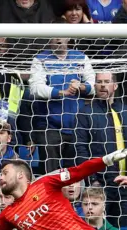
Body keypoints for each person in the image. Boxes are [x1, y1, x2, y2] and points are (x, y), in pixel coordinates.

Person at [76, 72, 127, 227]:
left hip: (126, 183)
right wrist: (93, 180)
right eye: (99, 82)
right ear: (95, 86)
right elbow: (81, 149)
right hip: (101, 184)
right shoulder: (85, 113)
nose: (103, 85)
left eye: (107, 81)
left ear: (115, 86)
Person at [29, 34, 95, 172]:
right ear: (49, 38)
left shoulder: (81, 57)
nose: (58, 39)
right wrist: (61, 92)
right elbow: (35, 88)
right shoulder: (40, 59)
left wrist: (81, 86)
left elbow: (93, 85)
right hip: (50, 127)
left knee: (74, 173)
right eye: (54, 35)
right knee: (50, 173)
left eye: (62, 35)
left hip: (76, 126)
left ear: (69, 37)